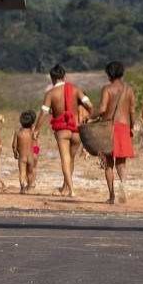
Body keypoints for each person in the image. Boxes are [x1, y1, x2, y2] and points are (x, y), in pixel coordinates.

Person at [34, 64, 93, 197]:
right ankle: (65, 188)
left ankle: (71, 190)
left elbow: (43, 113)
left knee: (65, 159)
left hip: (62, 130)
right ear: (64, 76)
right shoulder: (75, 89)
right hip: (76, 130)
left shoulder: (50, 94)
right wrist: (88, 118)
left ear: (52, 78)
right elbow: (89, 105)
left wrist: (36, 129)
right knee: (71, 159)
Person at [94, 60, 136, 205]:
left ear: (109, 74)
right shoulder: (129, 89)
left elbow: (102, 109)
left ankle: (112, 196)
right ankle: (123, 186)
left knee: (108, 163)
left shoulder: (107, 89)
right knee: (121, 163)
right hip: (124, 126)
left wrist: (89, 117)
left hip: (108, 127)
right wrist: (132, 126)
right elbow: (132, 111)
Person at [13, 110, 39, 194]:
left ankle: (22, 188)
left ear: (21, 121)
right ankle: (30, 186)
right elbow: (36, 142)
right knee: (30, 173)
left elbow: (14, 145)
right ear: (32, 123)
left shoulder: (18, 132)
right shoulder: (32, 133)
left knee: (22, 173)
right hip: (31, 157)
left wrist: (15, 152)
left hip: (22, 157)